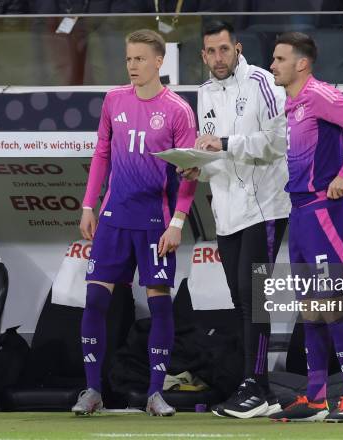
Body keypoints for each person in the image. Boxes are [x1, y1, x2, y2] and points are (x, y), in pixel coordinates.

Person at [71, 29, 198, 417]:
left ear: (159, 61)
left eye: (140, 59)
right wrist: (88, 205)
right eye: (128, 59)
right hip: (113, 218)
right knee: (95, 300)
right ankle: (92, 390)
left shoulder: (178, 109)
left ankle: (155, 393)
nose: (132, 66)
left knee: (160, 307)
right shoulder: (114, 100)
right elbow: (101, 154)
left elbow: (189, 173)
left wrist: (177, 222)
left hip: (154, 222)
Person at [268, 32, 343, 422]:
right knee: (310, 309)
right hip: (298, 213)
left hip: (323, 213)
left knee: (331, 306)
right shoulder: (292, 102)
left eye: (280, 59)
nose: (273, 65)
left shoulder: (319, 95)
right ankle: (315, 397)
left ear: (302, 63)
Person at [182, 20, 290, 419]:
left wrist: (225, 144)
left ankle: (257, 387)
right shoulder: (204, 92)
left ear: (238, 48)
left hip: (264, 208)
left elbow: (279, 142)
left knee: (253, 300)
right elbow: (214, 158)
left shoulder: (263, 82)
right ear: (202, 55)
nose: (217, 58)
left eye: (224, 49)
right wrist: (198, 168)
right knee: (241, 302)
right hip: (225, 213)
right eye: (210, 52)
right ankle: (259, 389)